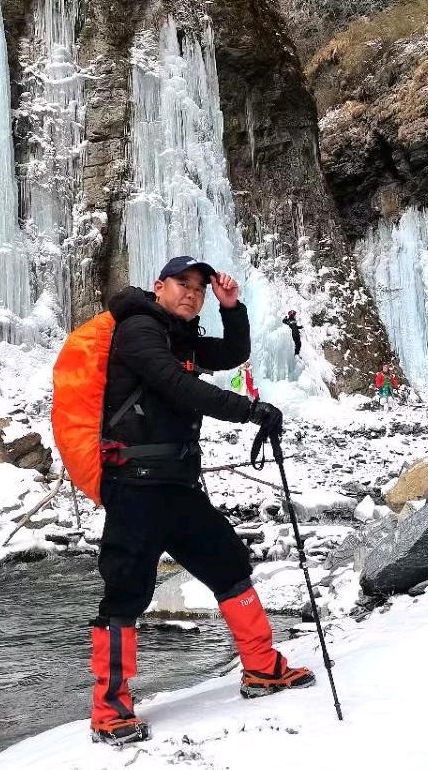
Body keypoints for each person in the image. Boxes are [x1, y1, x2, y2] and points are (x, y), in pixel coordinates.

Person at [90, 255, 314, 746]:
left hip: (178, 484)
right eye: (183, 284)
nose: (193, 293)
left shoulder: (182, 337)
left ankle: (261, 668)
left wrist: (232, 307)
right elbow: (179, 386)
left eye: (200, 287)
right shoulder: (138, 331)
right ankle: (110, 709)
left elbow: (233, 353)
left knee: (229, 564)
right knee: (126, 591)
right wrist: (250, 410)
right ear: (159, 286)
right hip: (135, 485)